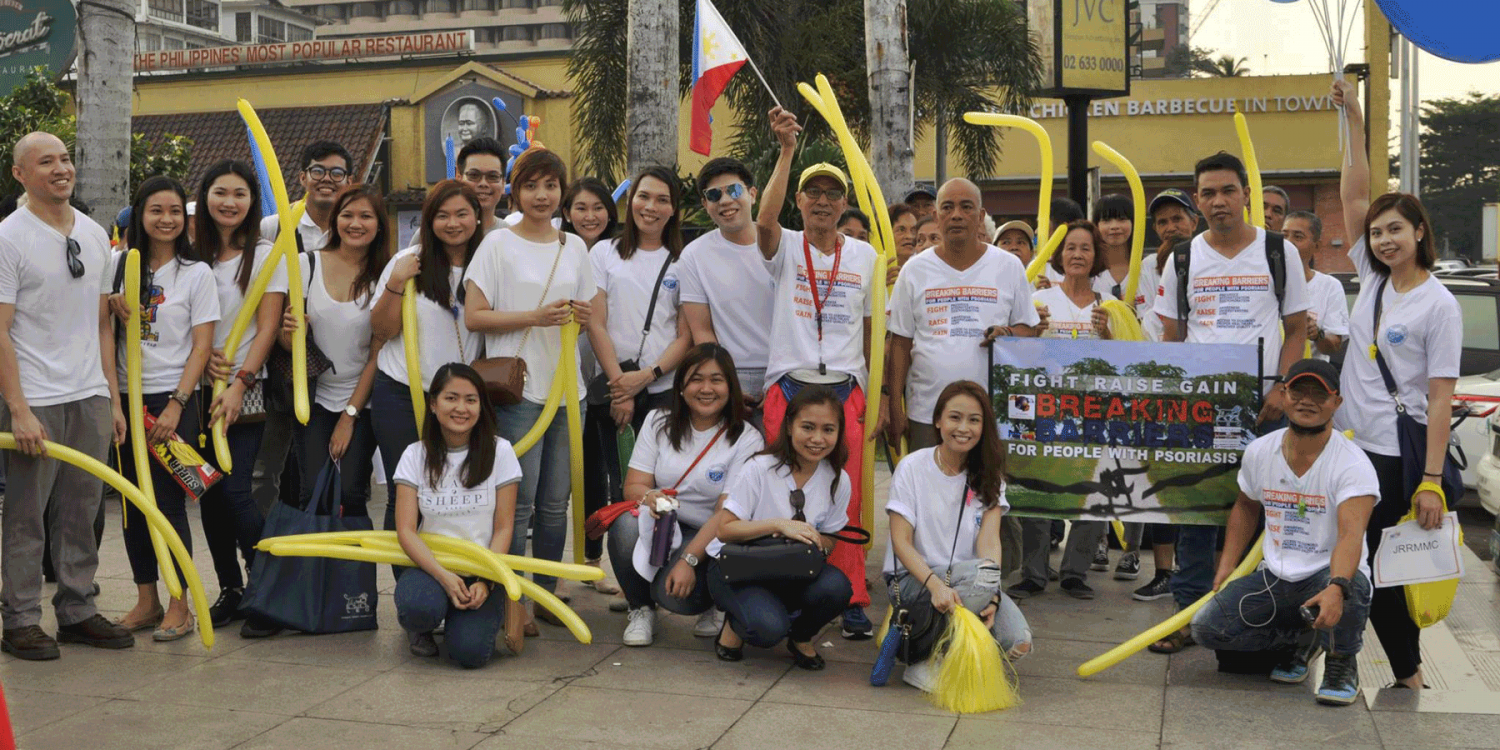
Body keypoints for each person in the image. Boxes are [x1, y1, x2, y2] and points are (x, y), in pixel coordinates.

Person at [1150, 151, 1311, 654]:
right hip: (1200, 406)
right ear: (1197, 202)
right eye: (1208, 193)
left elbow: (1296, 328)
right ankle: (1186, 615)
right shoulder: (1183, 258)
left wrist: (1282, 388)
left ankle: (1261, 614)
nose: (1219, 201)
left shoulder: (1277, 252)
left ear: (1245, 195)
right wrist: (1177, 400)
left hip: (1264, 406)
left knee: (1267, 512)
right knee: (1196, 513)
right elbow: (1173, 338)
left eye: (1228, 191)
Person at [1331, 78, 1460, 690]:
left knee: (1373, 563)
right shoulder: (1373, 277)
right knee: (1347, 559)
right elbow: (1355, 189)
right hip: (1348, 441)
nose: (1383, 239)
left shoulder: (1439, 305)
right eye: (1377, 231)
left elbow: (1441, 398)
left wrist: (1431, 481)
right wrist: (1352, 117)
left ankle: (1402, 670)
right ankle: (1381, 666)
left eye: (1395, 231)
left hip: (1394, 455)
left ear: (1419, 233)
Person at [0, 132, 130, 661]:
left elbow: (102, 325)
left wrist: (112, 399)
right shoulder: (9, 237)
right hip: (35, 398)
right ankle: (21, 619)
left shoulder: (97, 234)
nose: (62, 169)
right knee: (27, 512)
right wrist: (19, 409)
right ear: (20, 174)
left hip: (89, 393)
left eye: (66, 158)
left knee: (82, 508)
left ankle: (76, 609)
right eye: (46, 161)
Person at [755, 106, 880, 639]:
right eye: (814, 194)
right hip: (790, 384)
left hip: (845, 388)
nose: (823, 202)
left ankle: (851, 594)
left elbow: (873, 328)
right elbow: (762, 222)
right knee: (781, 491)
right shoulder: (784, 246)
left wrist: (880, 397)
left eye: (833, 194)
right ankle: (780, 585)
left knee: (846, 494)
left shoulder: (867, 256)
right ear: (801, 202)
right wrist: (786, 151)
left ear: (844, 203)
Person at [1191, 359, 1375, 705]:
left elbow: (1352, 535)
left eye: (1319, 394)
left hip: (1327, 574)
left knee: (1354, 587)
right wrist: (1227, 566)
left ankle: (1341, 661)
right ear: (1283, 394)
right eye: (1299, 391)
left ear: (1337, 403)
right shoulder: (1261, 450)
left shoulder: (1352, 464)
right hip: (1275, 576)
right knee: (1207, 628)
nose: (1308, 401)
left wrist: (1337, 586)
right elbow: (1246, 506)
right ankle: (1298, 640)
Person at [465, 147, 594, 628]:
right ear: (514, 192)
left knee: (555, 502)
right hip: (519, 393)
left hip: (568, 391)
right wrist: (535, 317)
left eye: (551, 186)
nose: (542, 196)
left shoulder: (574, 246)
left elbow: (586, 315)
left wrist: (577, 320)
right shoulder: (497, 244)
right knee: (517, 504)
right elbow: (475, 315)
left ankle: (545, 595)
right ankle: (511, 601)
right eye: (532, 186)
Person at [109, 176, 219, 643]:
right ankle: (146, 598)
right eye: (156, 210)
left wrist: (177, 404)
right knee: (134, 505)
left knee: (169, 505)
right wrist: (114, 402)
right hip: (125, 401)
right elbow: (100, 336)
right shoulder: (116, 266)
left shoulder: (197, 273)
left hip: (173, 400)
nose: (166, 219)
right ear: (140, 213)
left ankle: (180, 603)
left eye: (175, 211)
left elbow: (201, 347)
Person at [607, 344, 764, 646]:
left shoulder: (747, 438)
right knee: (625, 523)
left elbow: (726, 513)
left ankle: (714, 606)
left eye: (716, 380)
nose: (706, 388)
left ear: (731, 387)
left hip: (712, 535)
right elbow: (633, 486)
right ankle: (640, 609)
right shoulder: (657, 421)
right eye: (696, 379)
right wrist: (651, 498)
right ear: (680, 387)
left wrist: (689, 560)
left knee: (676, 598)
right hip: (664, 524)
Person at [191, 160, 288, 638]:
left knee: (238, 491)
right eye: (220, 192)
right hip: (195, 390)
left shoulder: (267, 253)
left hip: (244, 390)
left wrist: (240, 383)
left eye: (240, 194)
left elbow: (267, 326)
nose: (229, 202)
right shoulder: (191, 256)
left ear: (252, 203)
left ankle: (266, 589)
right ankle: (231, 588)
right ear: (205, 197)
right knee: (207, 496)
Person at [883, 380, 1031, 691]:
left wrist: (991, 596)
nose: (963, 428)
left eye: (974, 420)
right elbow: (900, 542)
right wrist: (936, 585)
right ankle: (925, 662)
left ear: (984, 426)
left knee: (1018, 643)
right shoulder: (912, 467)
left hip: (973, 580)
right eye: (954, 417)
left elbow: (990, 542)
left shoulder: (990, 473)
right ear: (938, 421)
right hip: (915, 580)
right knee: (981, 576)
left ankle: (955, 655)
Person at [369, 181, 485, 549]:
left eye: (461, 214)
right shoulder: (409, 261)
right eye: (442, 215)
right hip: (402, 392)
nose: (453, 223)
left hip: (461, 397)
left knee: (459, 493)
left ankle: (455, 577)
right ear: (428, 220)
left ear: (477, 217)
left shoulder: (488, 261)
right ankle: (410, 593)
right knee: (405, 494)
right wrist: (397, 282)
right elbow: (382, 330)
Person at [705, 385, 855, 668]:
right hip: (738, 568)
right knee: (766, 629)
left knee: (838, 588)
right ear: (789, 426)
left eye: (828, 430)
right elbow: (724, 530)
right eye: (807, 427)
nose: (817, 439)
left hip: (791, 568)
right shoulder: (760, 468)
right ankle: (734, 625)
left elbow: (831, 536)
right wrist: (779, 525)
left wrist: (817, 541)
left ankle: (801, 636)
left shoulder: (837, 478)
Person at [886, 178, 1038, 452]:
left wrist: (1009, 335)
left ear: (980, 217)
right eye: (947, 207)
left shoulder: (1009, 266)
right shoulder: (914, 270)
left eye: (966, 207)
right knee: (928, 490)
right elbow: (900, 343)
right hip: (927, 413)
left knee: (986, 492)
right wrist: (895, 407)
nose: (956, 215)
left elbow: (1029, 330)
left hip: (992, 413)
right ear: (935, 215)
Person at [1008, 220, 1112, 601]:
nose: (1078, 255)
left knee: (1094, 488)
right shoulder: (1041, 303)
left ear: (1096, 256)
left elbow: (1127, 363)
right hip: (1046, 409)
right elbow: (1019, 356)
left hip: (1094, 414)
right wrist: (1034, 333)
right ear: (1059, 254)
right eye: (1070, 247)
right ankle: (1034, 572)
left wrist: (1110, 336)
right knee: (1037, 488)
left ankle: (1075, 572)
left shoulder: (1111, 305)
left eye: (1086, 248)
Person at [393, 364, 523, 667]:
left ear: (481, 406)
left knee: (470, 654)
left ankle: (472, 615)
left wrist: (486, 582)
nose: (461, 408)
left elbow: (504, 528)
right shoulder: (415, 455)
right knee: (418, 608)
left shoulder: (500, 451)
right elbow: (406, 530)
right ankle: (427, 619)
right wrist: (445, 578)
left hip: (482, 570)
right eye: (451, 398)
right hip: (431, 567)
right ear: (434, 404)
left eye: (471, 399)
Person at [252, 141, 352, 523]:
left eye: (337, 173)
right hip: (283, 362)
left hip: (341, 367)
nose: (327, 180)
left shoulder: (356, 227)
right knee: (268, 467)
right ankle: (264, 549)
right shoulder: (274, 227)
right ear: (302, 178)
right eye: (318, 171)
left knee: (323, 467)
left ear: (349, 179)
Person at [280, 186, 388, 518]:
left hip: (363, 400)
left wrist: (349, 417)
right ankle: (315, 567)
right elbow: (289, 346)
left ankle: (352, 568)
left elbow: (378, 353)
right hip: (311, 399)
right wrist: (289, 332)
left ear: (379, 224)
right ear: (335, 220)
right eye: (347, 215)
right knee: (313, 492)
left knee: (352, 492)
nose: (356, 224)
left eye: (365, 216)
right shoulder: (305, 264)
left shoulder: (385, 276)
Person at [586, 165, 692, 435]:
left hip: (664, 389)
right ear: (630, 199)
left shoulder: (685, 262)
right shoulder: (603, 253)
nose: (650, 207)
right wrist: (621, 388)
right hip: (611, 389)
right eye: (643, 196)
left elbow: (684, 336)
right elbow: (595, 324)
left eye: (662, 200)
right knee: (612, 471)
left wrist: (646, 377)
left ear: (673, 209)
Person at [562, 176, 624, 599]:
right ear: (567, 212)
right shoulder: (555, 251)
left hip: (604, 379)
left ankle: (592, 560)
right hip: (558, 382)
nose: (590, 216)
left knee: (601, 475)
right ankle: (553, 568)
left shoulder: (619, 254)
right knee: (559, 480)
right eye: (581, 208)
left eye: (598, 207)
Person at [678, 157, 776, 412]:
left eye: (734, 190)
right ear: (705, 204)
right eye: (713, 195)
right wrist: (726, 383)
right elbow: (702, 332)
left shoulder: (783, 246)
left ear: (752, 194)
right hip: (728, 372)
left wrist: (783, 379)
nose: (725, 201)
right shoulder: (693, 255)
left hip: (782, 370)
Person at [1284, 210, 1348, 362]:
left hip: (1306, 380)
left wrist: (1316, 333)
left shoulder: (1329, 287)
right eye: (1284, 235)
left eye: (1298, 237)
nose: (1288, 243)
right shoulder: (1266, 282)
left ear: (1316, 246)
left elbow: (1335, 344)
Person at [457, 137, 508, 236]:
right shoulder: (436, 233)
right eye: (474, 175)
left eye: (492, 176)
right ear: (459, 179)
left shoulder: (512, 238)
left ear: (503, 184)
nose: (483, 183)